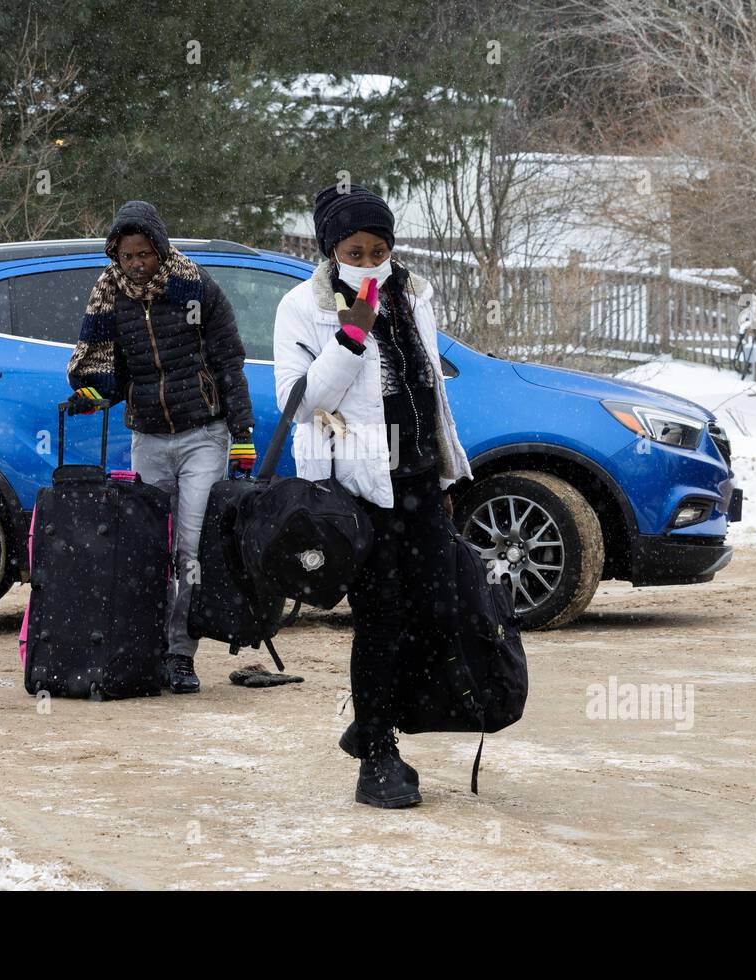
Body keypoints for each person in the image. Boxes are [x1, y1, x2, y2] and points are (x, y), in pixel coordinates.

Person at [272, 183, 473, 808]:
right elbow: (300, 402)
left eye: (378, 248)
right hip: (358, 490)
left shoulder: (414, 297)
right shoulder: (302, 308)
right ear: (332, 249)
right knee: (382, 619)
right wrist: (351, 335)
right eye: (354, 250)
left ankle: (369, 720)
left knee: (435, 609)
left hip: (415, 477)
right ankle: (378, 756)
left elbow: (427, 395)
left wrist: (442, 478)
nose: (368, 260)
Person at [66, 200, 257, 693]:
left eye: (145, 253)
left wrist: (243, 435)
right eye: (127, 256)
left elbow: (230, 361)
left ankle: (179, 655)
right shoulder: (111, 297)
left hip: (202, 437)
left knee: (190, 549)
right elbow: (111, 371)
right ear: (116, 255)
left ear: (160, 247)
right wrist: (92, 395)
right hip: (148, 437)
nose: (136, 264)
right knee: (148, 550)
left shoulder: (196, 288)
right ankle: (144, 649)